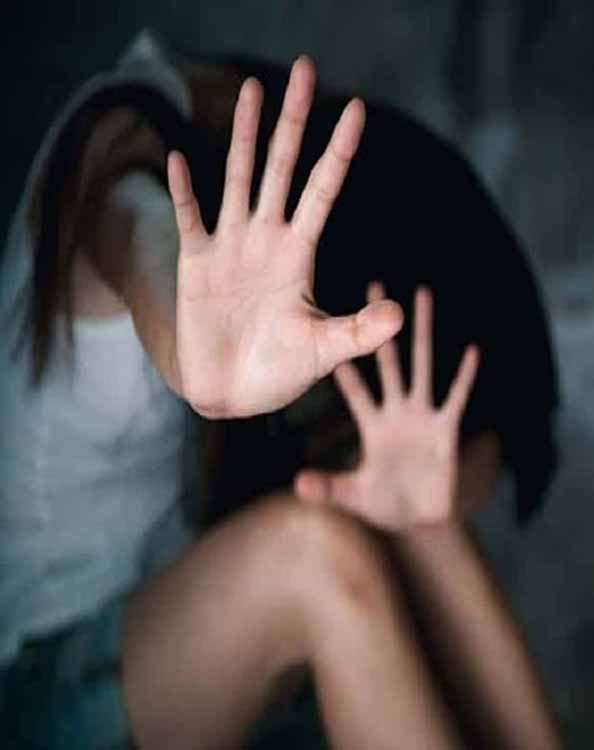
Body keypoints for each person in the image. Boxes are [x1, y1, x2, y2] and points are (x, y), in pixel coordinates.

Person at [0, 31, 560, 748]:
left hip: (158, 653)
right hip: (35, 684)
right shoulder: (119, 140)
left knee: (399, 511)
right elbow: (131, 229)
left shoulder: (201, 131)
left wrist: (423, 520)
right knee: (314, 557)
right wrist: (189, 346)